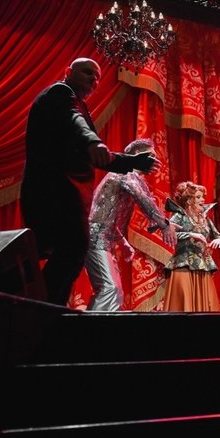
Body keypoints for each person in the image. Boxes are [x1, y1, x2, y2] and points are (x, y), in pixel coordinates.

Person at [21, 57, 157, 306]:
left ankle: (47, 308)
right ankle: (40, 308)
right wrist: (92, 141)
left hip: (65, 195)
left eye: (97, 77)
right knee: (72, 249)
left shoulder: (76, 104)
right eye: (87, 73)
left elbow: (99, 158)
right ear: (68, 71)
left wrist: (131, 161)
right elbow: (76, 122)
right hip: (56, 193)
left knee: (70, 253)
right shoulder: (61, 93)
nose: (94, 80)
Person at [84, 139, 177, 312]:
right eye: (151, 157)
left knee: (114, 290)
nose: (156, 162)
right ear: (138, 156)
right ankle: (89, 327)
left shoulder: (122, 175)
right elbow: (144, 201)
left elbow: (106, 215)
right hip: (95, 237)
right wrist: (164, 224)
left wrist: (123, 242)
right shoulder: (126, 173)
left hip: (99, 237)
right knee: (109, 289)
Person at [162, 182, 220, 312]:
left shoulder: (205, 219)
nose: (203, 200)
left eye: (202, 197)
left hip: (203, 266)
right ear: (189, 200)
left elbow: (219, 236)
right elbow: (167, 232)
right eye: (198, 197)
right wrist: (190, 234)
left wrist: (219, 240)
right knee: (184, 304)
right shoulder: (180, 216)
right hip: (183, 265)